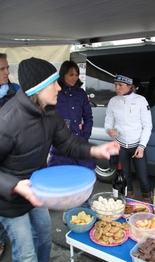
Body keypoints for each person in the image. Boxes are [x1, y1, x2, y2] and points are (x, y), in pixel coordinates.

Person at [0, 57, 120, 262]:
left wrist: (96, 150)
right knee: (26, 253)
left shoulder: (50, 112)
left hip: (37, 188)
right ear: (37, 89)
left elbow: (68, 144)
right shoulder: (6, 122)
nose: (59, 87)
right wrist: (16, 186)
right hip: (9, 199)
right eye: (53, 83)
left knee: (45, 237)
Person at [104, 67, 153, 203]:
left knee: (143, 178)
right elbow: (108, 122)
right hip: (121, 147)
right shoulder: (113, 101)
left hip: (137, 146)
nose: (117, 88)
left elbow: (147, 125)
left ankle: (147, 203)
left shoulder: (141, 100)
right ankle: (128, 202)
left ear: (129, 85)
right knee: (125, 178)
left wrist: (142, 146)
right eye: (115, 85)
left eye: (120, 85)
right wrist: (109, 130)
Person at [48, 60, 95, 170]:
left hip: (79, 144)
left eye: (76, 75)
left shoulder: (81, 93)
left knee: (84, 180)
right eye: (71, 75)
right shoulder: (55, 93)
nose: (74, 78)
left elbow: (88, 117)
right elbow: (47, 118)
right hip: (60, 147)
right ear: (63, 74)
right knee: (62, 182)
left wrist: (85, 134)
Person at [0, 53, 20, 260]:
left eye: (7, 68)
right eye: (2, 69)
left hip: (13, 160)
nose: (7, 72)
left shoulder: (15, 91)